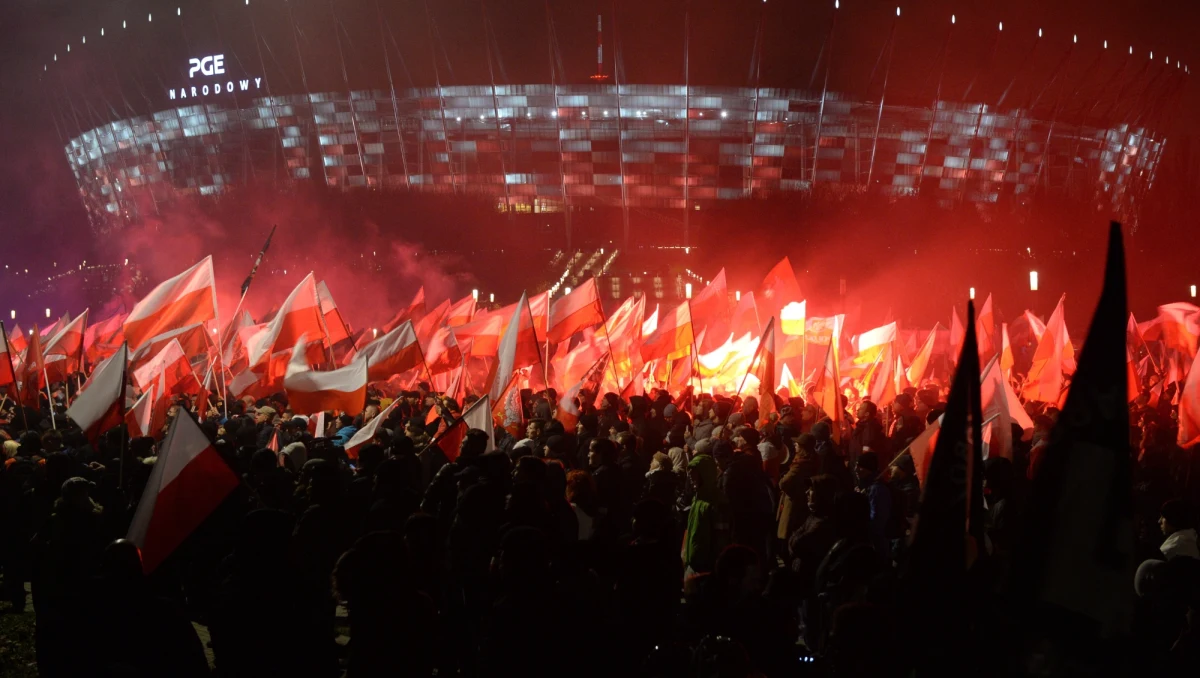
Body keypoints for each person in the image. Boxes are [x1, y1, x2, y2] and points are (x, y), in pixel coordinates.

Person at [684, 452, 726, 579]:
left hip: (708, 567)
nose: (691, 477)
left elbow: (721, 537)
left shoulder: (717, 501)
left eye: (694, 474)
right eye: (689, 473)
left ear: (705, 475)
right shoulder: (697, 498)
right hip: (694, 563)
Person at [854, 451, 893, 561]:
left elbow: (877, 521)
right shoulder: (866, 486)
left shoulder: (877, 490)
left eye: (860, 466)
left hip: (875, 545)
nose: (856, 469)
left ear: (869, 468)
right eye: (856, 465)